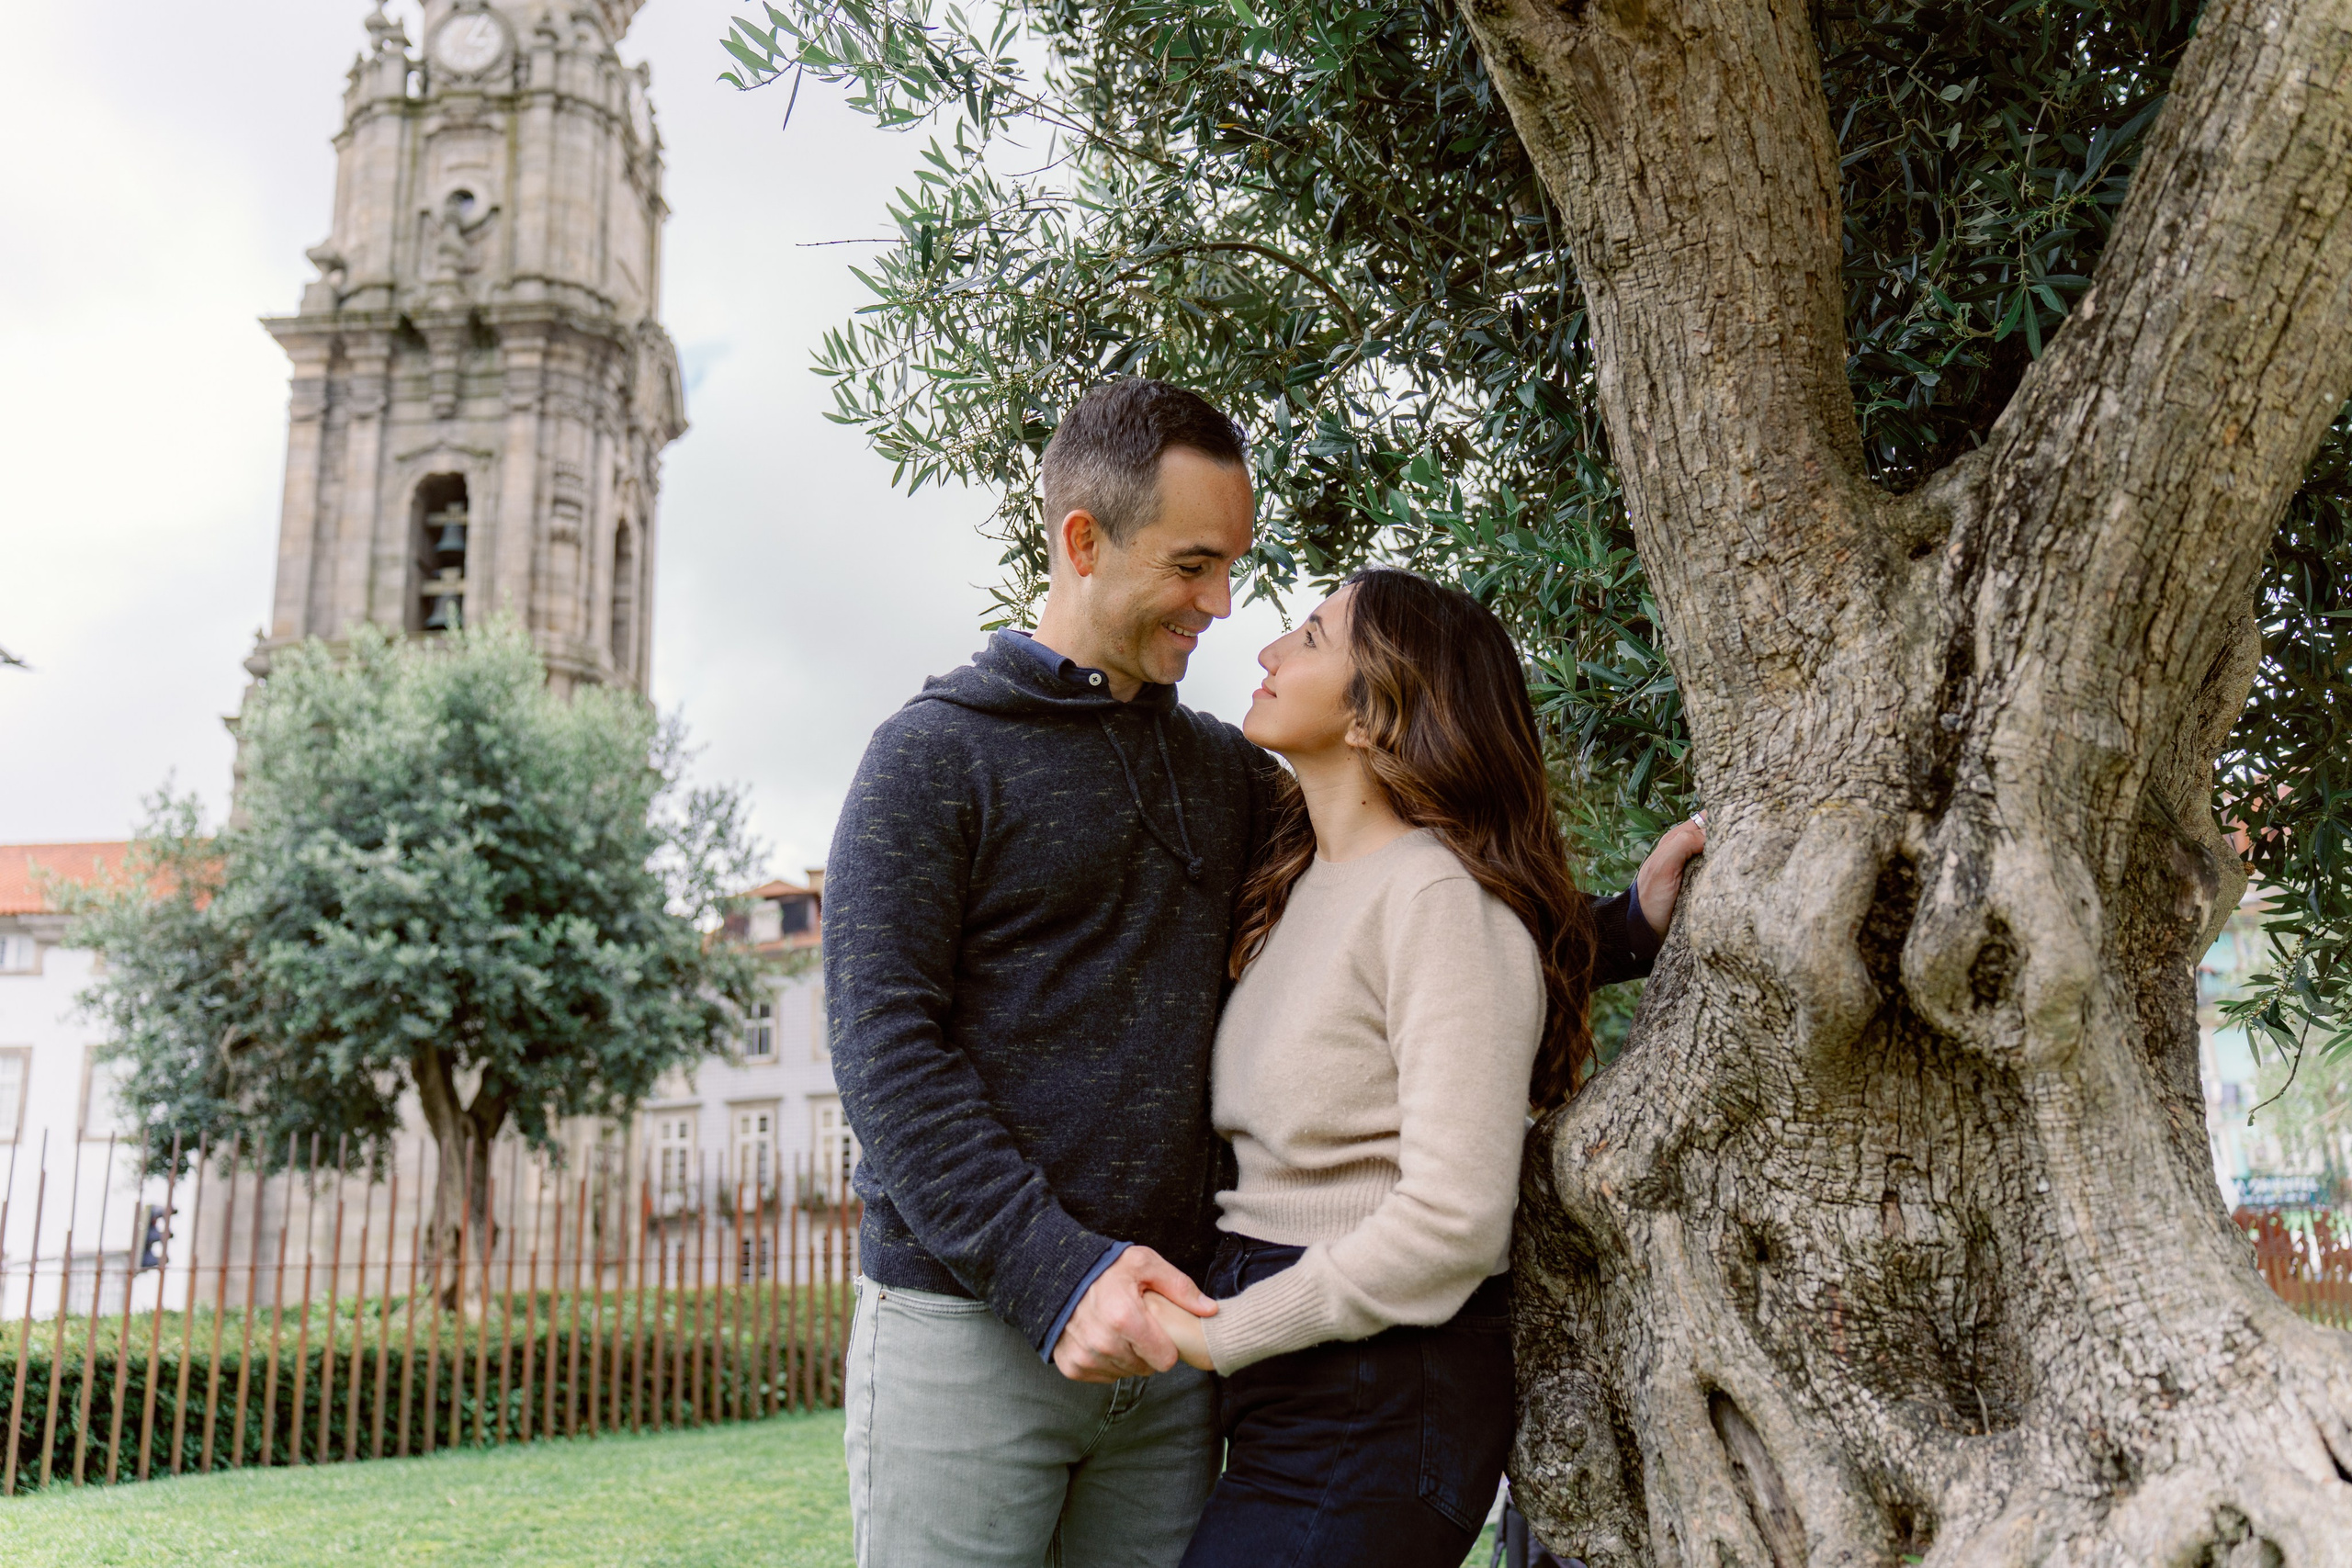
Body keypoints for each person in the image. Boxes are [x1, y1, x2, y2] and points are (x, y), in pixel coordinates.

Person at [1146, 568, 1705, 1568]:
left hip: (1375, 1396)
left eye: (1309, 638)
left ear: (1375, 713)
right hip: (1296, 1390)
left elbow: (1452, 1222)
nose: (1268, 652)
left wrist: (1227, 1332)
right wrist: (1614, 926)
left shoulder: (1438, 897)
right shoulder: (1304, 879)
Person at [823, 378, 1272, 1568]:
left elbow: (1395, 909)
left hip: (1169, 1352)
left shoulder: (1229, 774)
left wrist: (1623, 927)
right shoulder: (930, 756)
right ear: (1083, 539)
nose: (1220, 603)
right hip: (962, 1337)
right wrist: (1060, 1275)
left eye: (1232, 565)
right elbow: (885, 1056)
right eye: (1192, 564)